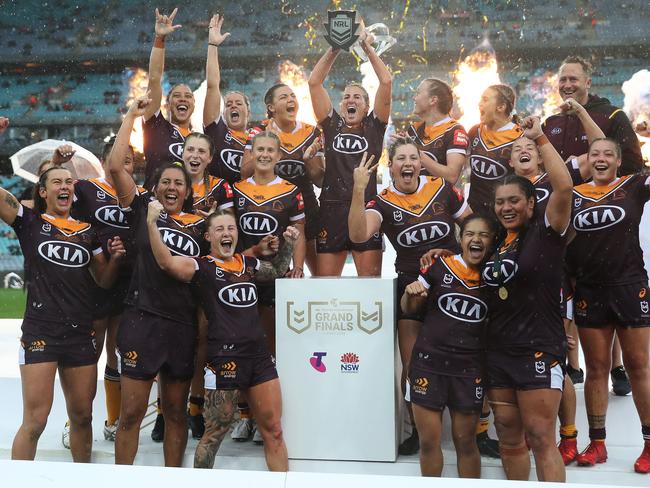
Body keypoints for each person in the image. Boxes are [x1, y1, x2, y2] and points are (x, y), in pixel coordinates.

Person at [146, 204, 296, 471]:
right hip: (224, 359)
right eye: (219, 229)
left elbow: (275, 272)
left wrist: (289, 244)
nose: (226, 233)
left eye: (230, 228)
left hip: (259, 357)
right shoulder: (201, 266)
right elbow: (166, 263)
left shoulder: (248, 264)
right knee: (215, 434)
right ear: (208, 237)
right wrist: (151, 224)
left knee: (274, 430)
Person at [348, 137, 471, 455]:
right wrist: (359, 190)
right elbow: (358, 234)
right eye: (400, 158)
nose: (407, 163)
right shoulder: (383, 201)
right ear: (391, 167)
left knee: (465, 355)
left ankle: (476, 429)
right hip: (410, 285)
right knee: (412, 361)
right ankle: (417, 430)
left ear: (420, 163)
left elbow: (473, 226)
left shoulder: (443, 189)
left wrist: (454, 250)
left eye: (412, 158)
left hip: (453, 282)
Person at [2, 166, 124, 462]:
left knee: (82, 417)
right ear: (43, 192)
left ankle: (82, 479)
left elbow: (104, 281)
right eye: (57, 181)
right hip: (41, 332)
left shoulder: (89, 233)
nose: (65, 186)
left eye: (70, 181)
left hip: (81, 333)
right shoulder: (29, 221)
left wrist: (117, 260)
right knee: (36, 421)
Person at [109, 95, 205, 467]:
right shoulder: (142, 207)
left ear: (187, 190)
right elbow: (116, 165)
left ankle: (173, 479)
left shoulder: (201, 224)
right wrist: (132, 116)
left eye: (178, 183)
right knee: (131, 415)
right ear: (157, 185)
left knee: (176, 415)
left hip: (181, 325)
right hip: (141, 320)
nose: (171, 188)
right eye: (165, 181)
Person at [507, 99, 604, 465]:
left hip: (554, 281)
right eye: (517, 150)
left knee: (557, 362)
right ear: (511, 163)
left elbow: (598, 151)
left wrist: (561, 251)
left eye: (530, 147)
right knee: (523, 357)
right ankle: (532, 431)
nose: (524, 151)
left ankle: (568, 436)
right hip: (517, 286)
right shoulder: (506, 193)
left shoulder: (556, 177)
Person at [484, 116, 573, 482]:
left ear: (531, 203)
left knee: (540, 439)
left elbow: (564, 187)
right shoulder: (494, 242)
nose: (506, 208)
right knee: (509, 441)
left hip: (538, 349)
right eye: (500, 202)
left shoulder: (547, 230)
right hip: (498, 352)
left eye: (514, 201)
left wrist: (539, 138)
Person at [569, 138, 650, 473]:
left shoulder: (633, 184)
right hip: (590, 289)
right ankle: (598, 443)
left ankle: (648, 444)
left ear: (619, 162)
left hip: (630, 287)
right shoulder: (573, 194)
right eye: (594, 154)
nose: (600, 159)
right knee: (596, 368)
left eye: (607, 154)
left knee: (638, 367)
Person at [401, 214, 496, 477]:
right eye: (469, 234)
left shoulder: (497, 275)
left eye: (483, 235)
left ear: (493, 242)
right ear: (460, 239)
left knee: (466, 442)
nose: (476, 239)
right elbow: (410, 309)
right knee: (429, 442)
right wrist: (410, 296)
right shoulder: (439, 266)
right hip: (428, 364)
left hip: (469, 369)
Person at [231, 131, 306, 443]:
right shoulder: (235, 190)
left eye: (269, 150)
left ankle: (267, 416)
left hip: (275, 277)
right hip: (243, 276)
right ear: (252, 153)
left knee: (270, 348)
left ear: (278, 155)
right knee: (242, 343)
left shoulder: (291, 191)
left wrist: (298, 267)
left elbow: (300, 230)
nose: (264, 155)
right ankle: (244, 414)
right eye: (259, 149)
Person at [66, 137, 142, 443]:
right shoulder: (86, 187)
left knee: (119, 349)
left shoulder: (139, 195)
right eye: (116, 156)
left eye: (127, 158)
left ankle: (113, 418)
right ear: (104, 159)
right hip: (94, 278)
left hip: (129, 279)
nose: (122, 163)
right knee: (90, 350)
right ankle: (77, 419)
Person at [308, 26, 392, 277]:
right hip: (331, 209)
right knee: (326, 287)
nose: (350, 100)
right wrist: (335, 47)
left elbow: (386, 81)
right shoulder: (331, 124)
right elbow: (314, 83)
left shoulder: (375, 127)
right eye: (346, 97)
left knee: (369, 287)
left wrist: (367, 48)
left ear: (367, 107)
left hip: (367, 207)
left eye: (357, 97)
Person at [241, 83, 322, 275]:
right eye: (284, 97)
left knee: (319, 274)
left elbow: (319, 180)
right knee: (275, 274)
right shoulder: (258, 131)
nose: (291, 100)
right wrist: (265, 145)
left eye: (293, 96)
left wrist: (309, 159)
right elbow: (244, 174)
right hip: (272, 207)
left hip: (306, 206)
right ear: (271, 107)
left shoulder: (311, 132)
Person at [543, 55, 643, 177]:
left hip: (602, 194)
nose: (567, 85)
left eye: (573, 79)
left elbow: (633, 165)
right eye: (563, 80)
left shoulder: (613, 116)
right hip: (559, 195)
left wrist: (585, 167)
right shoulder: (549, 123)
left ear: (588, 83)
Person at [142, 7, 194, 189]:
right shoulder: (156, 126)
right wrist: (160, 38)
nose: (183, 99)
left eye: (188, 96)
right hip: (152, 207)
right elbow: (155, 78)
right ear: (167, 103)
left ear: (193, 105)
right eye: (177, 96)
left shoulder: (199, 139)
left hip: (187, 212)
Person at [202, 14, 250, 185]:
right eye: (228, 104)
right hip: (219, 203)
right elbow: (212, 86)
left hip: (251, 206)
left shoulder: (258, 137)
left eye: (238, 103)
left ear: (248, 112)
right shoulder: (217, 131)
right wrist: (213, 45)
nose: (233, 106)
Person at [466, 84, 523, 214]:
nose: (479, 103)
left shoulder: (520, 137)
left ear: (501, 107)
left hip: (504, 214)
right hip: (475, 212)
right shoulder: (475, 130)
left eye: (485, 99)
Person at [407, 78, 468, 184]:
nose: (414, 98)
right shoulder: (413, 129)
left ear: (433, 100)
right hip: (411, 198)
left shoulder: (455, 131)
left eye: (418, 93)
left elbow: (452, 176)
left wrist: (415, 153)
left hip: (439, 199)